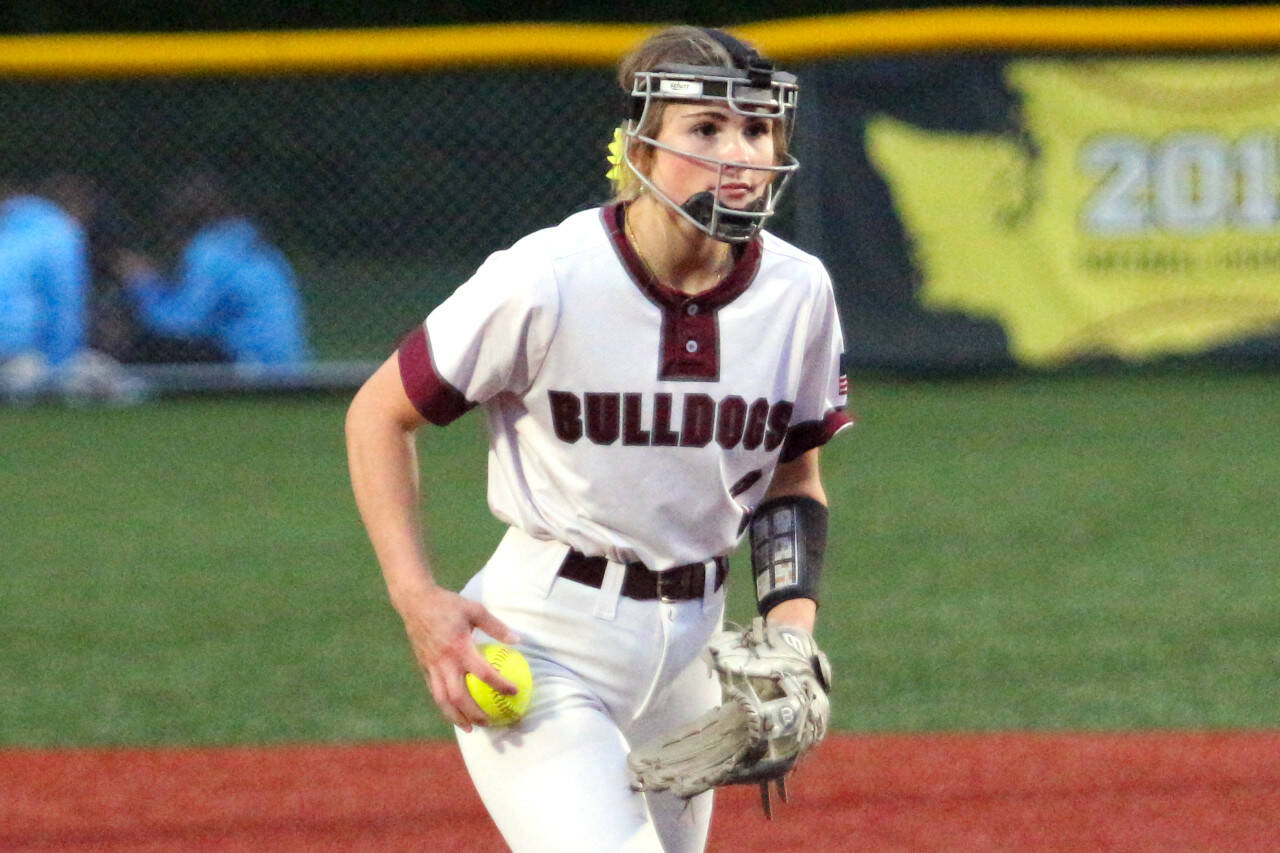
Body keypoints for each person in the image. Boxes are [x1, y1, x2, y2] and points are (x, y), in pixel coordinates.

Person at [346, 26, 851, 853]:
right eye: (707, 128)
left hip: (694, 649)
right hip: (541, 640)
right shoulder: (548, 276)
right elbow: (378, 412)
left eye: (758, 128)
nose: (741, 152)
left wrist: (791, 633)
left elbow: (793, 482)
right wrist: (417, 598)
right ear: (641, 149)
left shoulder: (799, 290)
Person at [116, 172, 310, 367]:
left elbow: (182, 323)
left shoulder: (209, 254)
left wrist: (143, 285)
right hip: (284, 361)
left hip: (250, 362)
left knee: (144, 343)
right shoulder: (252, 244)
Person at [0, 173, 142, 403]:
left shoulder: (11, 227)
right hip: (19, 355)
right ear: (79, 206)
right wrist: (61, 370)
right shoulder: (61, 231)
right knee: (128, 390)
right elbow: (64, 310)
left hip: (16, 353)